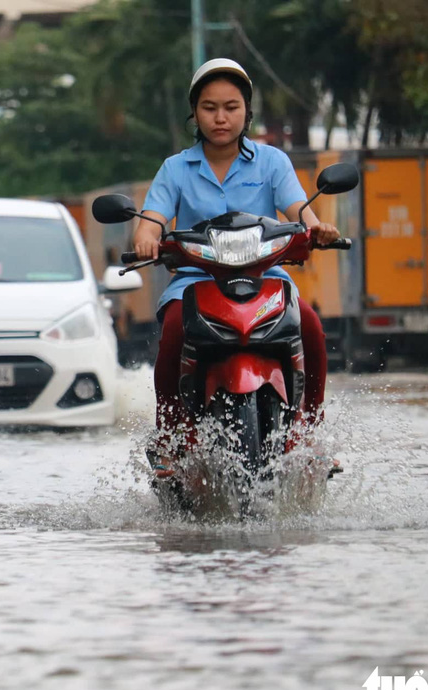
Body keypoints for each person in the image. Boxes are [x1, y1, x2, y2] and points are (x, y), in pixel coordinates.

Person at [132, 59, 340, 475]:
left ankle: (309, 430)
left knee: (312, 328)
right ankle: (171, 436)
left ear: (247, 111)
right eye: (210, 107)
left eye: (231, 106)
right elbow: (153, 215)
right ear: (195, 112)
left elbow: (299, 209)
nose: (221, 117)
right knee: (174, 330)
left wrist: (318, 229)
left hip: (266, 277)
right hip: (195, 281)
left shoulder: (272, 162)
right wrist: (146, 234)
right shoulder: (176, 168)